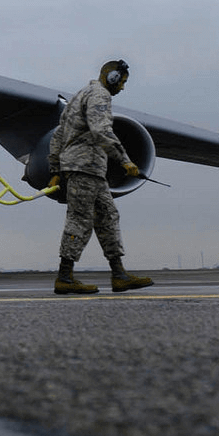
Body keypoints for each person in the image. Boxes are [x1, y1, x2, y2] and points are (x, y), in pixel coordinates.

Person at [47, 60, 154, 295]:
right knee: (80, 219)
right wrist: (125, 160)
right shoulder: (100, 95)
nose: (123, 88)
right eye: (122, 82)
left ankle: (119, 275)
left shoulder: (78, 96)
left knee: (108, 216)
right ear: (112, 77)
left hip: (92, 170)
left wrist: (55, 170)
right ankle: (64, 277)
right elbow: (101, 130)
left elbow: (57, 135)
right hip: (84, 167)